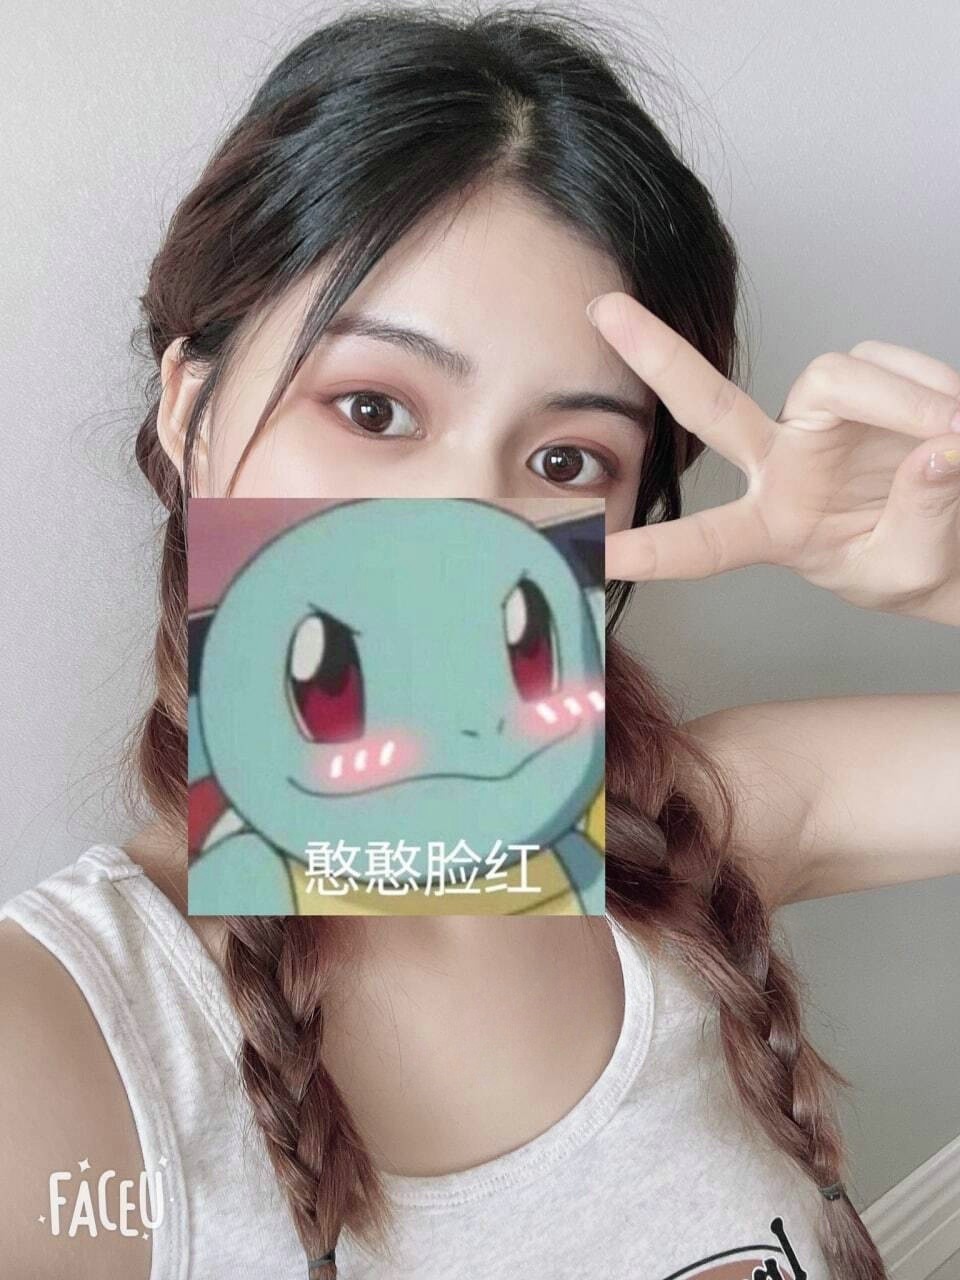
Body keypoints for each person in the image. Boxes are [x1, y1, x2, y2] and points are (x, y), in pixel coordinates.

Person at [1, 9, 957, 1280]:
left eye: (565, 459)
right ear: (191, 413)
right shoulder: (65, 1037)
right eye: (373, 406)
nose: (465, 521)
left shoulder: (697, 830)